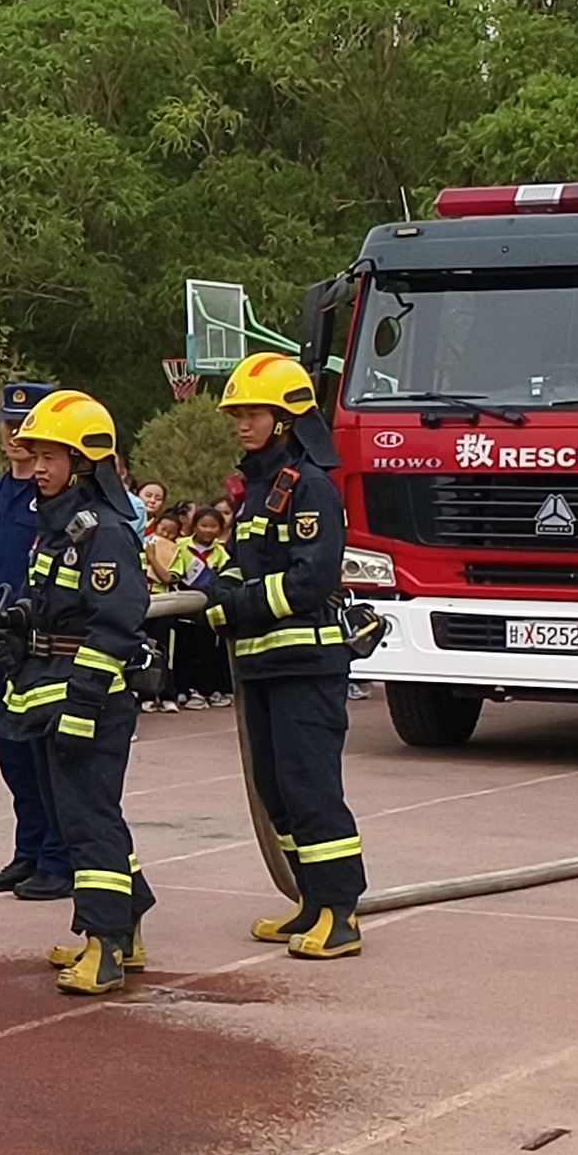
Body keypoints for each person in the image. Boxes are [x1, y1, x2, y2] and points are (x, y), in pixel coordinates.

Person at [0, 389, 158, 993]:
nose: (40, 465)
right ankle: (123, 925)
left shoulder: (103, 533)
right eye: (38, 454)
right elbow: (51, 606)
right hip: (50, 687)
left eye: (53, 456)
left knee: (88, 820)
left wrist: (81, 703)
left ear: (85, 463)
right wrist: (7, 626)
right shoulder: (57, 529)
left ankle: (104, 947)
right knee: (75, 813)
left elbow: (115, 623)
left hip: (91, 699)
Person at [206, 352, 368, 958]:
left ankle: (341, 912)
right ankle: (310, 901)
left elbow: (308, 581)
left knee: (311, 788)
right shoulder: (259, 489)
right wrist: (214, 592)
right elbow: (241, 566)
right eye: (238, 414)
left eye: (253, 413)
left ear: (286, 418)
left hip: (307, 665)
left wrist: (236, 604)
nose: (241, 424)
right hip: (266, 664)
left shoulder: (311, 487)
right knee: (276, 789)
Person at [0, 384, 75, 903]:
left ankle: (58, 857)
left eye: (25, 425)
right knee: (10, 750)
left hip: (39, 641)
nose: (14, 435)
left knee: (42, 752)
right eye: (8, 424)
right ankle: (29, 850)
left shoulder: (59, 497)